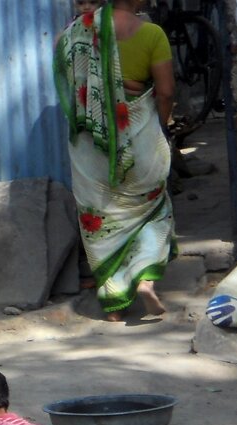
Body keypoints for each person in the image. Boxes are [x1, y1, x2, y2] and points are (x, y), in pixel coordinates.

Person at [54, 0, 177, 322]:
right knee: (154, 211)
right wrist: (161, 124)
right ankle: (145, 278)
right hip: (140, 141)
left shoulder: (68, 37)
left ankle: (114, 306)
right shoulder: (152, 34)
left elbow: (72, 89)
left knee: (100, 223)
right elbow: (165, 92)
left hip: (89, 148)